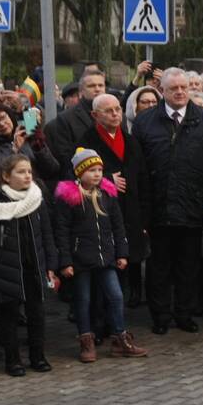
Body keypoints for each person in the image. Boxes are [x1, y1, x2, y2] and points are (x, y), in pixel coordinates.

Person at [133, 68, 203, 335]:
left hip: (192, 205)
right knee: (159, 265)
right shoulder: (145, 122)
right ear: (162, 91)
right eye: (174, 88)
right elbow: (139, 169)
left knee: (189, 264)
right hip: (158, 207)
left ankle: (185, 312)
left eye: (184, 87)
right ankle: (160, 315)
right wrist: (143, 209)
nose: (180, 92)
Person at [53, 149, 147, 362]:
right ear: (79, 172)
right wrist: (66, 260)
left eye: (99, 170)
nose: (97, 174)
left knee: (116, 296)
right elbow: (62, 230)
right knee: (83, 300)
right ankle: (86, 340)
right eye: (91, 170)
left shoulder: (108, 194)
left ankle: (119, 338)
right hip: (80, 259)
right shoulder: (69, 198)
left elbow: (118, 225)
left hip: (106, 256)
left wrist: (122, 252)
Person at [76, 94, 151, 309]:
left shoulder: (130, 140)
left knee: (132, 256)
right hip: (102, 213)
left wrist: (145, 217)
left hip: (132, 211)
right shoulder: (86, 141)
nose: (115, 114)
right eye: (108, 110)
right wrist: (108, 179)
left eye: (117, 109)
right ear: (95, 115)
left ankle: (132, 297)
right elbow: (76, 176)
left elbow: (143, 178)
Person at [0, 155, 58, 376]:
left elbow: (47, 234)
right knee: (9, 316)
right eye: (21, 172)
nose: (27, 176)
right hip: (6, 267)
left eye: (29, 171)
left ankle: (37, 356)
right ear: (6, 176)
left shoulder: (36, 198)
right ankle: (13, 361)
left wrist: (51, 263)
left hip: (34, 265)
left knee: (37, 314)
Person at [46, 68, 106, 165]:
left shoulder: (115, 114)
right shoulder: (66, 118)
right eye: (91, 86)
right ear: (81, 92)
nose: (97, 89)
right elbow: (64, 156)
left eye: (101, 85)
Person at [0, 101, 60, 183]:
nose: (2, 124)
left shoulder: (26, 134)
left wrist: (38, 146)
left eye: (3, 117)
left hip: (41, 191)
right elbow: (2, 179)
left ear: (9, 115)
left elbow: (52, 170)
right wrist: (15, 151)